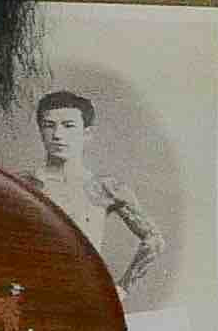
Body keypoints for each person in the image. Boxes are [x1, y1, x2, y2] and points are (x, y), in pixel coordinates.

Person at [26, 90, 162, 294]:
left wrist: (122, 289)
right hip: (32, 295)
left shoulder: (105, 188)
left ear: (87, 133)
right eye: (49, 125)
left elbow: (154, 240)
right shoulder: (23, 185)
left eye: (68, 126)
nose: (58, 134)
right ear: (40, 131)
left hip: (85, 296)